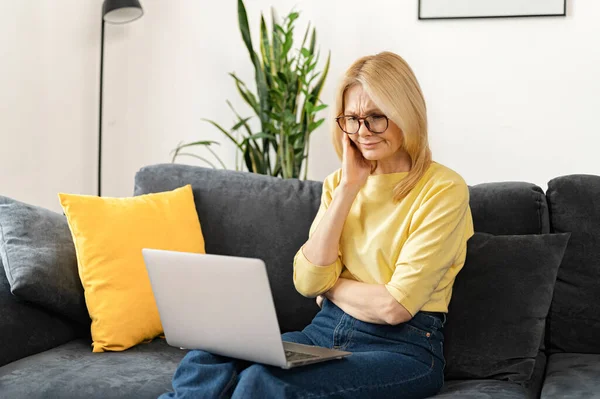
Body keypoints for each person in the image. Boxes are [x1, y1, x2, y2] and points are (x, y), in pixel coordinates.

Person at [159, 51, 474, 399]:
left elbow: (394, 307)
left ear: (406, 115)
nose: (362, 131)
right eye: (351, 119)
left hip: (402, 349)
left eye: (376, 118)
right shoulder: (338, 183)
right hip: (322, 332)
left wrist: (332, 288)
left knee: (262, 382)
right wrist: (348, 189)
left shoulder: (443, 189)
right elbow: (308, 282)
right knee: (206, 358)